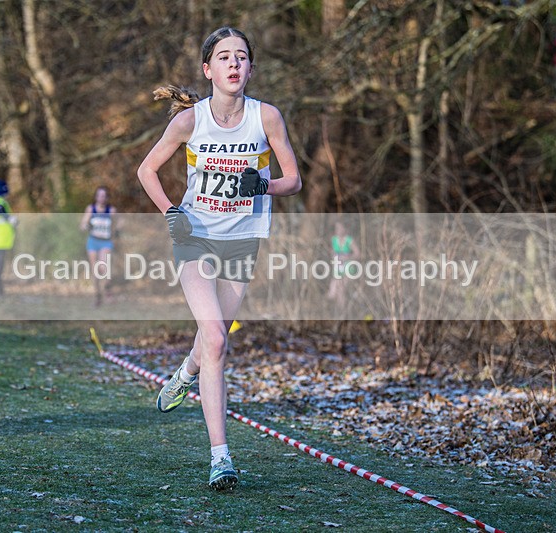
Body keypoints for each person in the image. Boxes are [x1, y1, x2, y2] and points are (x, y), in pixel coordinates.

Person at [137, 26, 302, 490]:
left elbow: (294, 180)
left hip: (242, 240)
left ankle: (186, 372)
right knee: (213, 335)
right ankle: (221, 458)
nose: (234, 64)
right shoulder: (191, 121)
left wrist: (263, 185)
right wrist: (172, 212)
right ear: (208, 70)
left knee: (213, 345)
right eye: (225, 57)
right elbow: (146, 170)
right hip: (197, 236)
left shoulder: (266, 117)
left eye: (242, 57)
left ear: (250, 69)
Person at [79, 186, 117, 306]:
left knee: (104, 269)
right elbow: (82, 225)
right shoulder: (91, 209)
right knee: (95, 270)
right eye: (100, 195)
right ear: (96, 197)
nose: (102, 198)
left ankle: (107, 290)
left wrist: (116, 232)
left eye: (104, 196)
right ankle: (97, 296)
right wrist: (86, 226)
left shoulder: (111, 211)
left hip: (106, 242)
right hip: (93, 241)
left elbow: (117, 226)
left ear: (107, 198)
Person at [326, 220, 360, 312]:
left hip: (348, 269)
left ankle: (342, 314)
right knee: (331, 294)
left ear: (345, 229)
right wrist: (333, 254)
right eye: (337, 228)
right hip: (337, 268)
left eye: (341, 228)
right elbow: (331, 252)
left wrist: (348, 257)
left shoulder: (349, 240)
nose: (339, 230)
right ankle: (349, 304)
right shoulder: (334, 240)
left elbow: (358, 254)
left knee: (341, 290)